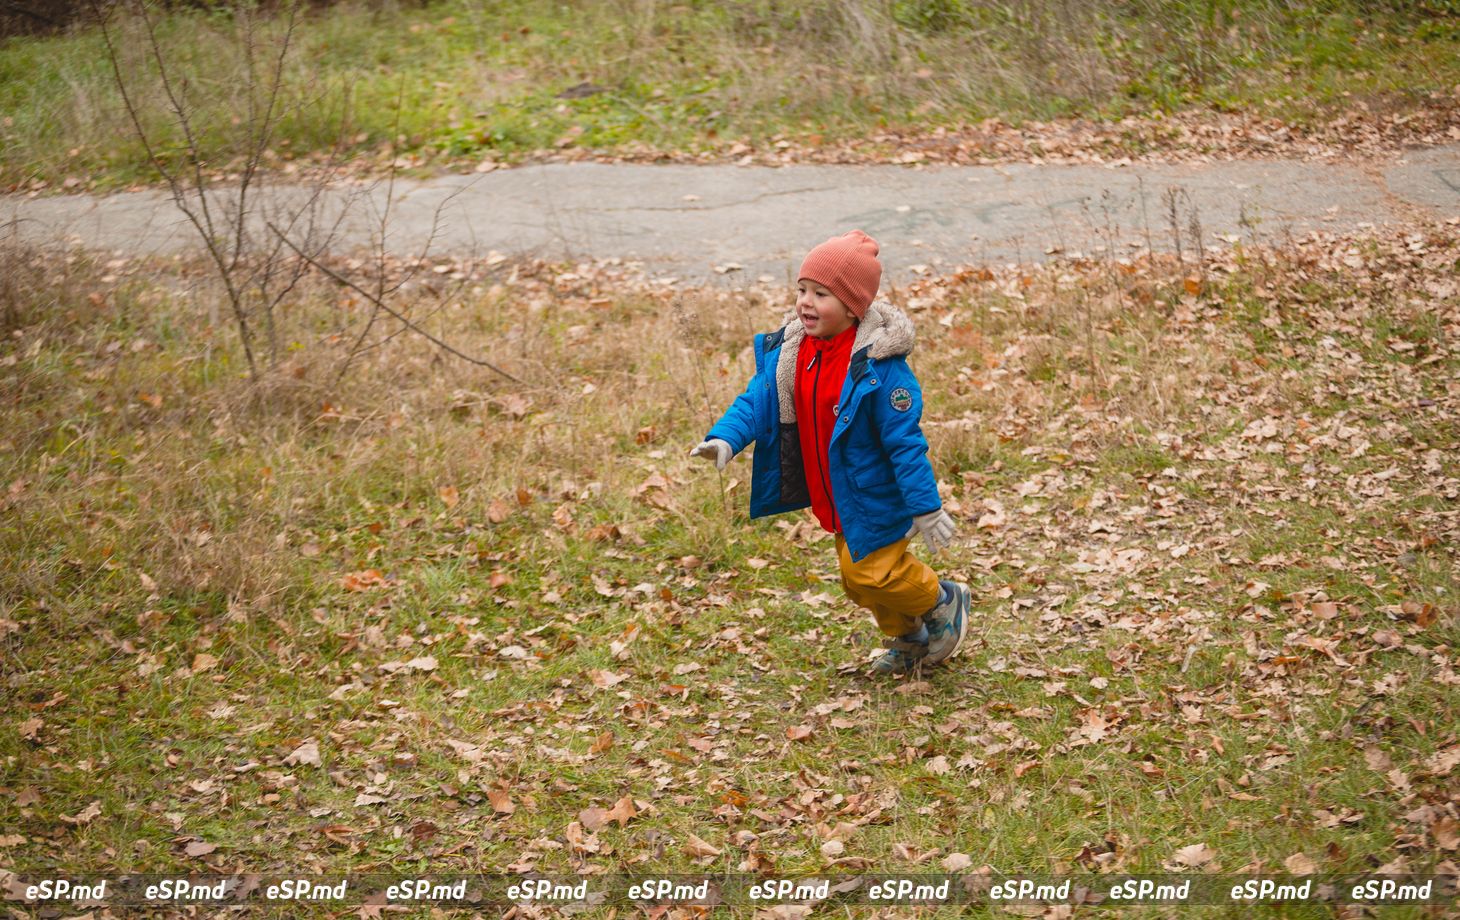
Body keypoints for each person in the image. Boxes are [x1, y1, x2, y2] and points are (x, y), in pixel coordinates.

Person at [691, 230, 970, 675]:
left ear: (852, 306)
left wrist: (925, 506)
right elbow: (759, 399)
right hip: (838, 497)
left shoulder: (880, 369)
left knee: (871, 574)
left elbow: (905, 443)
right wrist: (725, 437)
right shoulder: (795, 351)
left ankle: (943, 600)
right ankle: (910, 640)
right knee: (857, 584)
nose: (805, 301)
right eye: (802, 289)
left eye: (821, 293)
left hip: (877, 495)